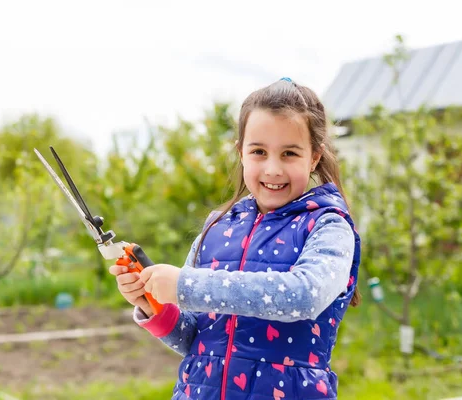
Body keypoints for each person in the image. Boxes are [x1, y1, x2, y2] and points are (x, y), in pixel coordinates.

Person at [109, 77, 361, 400]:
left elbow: (303, 295)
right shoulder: (216, 229)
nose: (272, 169)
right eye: (258, 151)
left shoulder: (328, 226)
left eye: (289, 153)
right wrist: (153, 305)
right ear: (241, 152)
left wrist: (185, 286)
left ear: (314, 157)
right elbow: (194, 340)